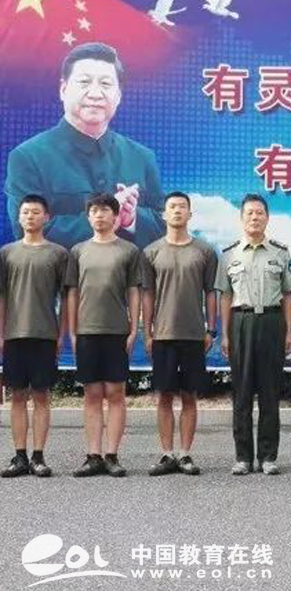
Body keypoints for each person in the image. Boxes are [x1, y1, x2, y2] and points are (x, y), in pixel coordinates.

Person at [5, 42, 164, 250]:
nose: (95, 93)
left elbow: (165, 227)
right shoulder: (28, 157)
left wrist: (131, 219)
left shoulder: (142, 157)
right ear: (63, 89)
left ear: (118, 95)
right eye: (84, 82)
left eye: (105, 84)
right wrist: (106, 217)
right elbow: (28, 232)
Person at [215, 193, 291, 476]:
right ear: (241, 218)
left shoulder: (280, 252)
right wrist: (225, 335)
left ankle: (268, 457)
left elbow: (288, 293)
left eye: (260, 212)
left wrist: (289, 330)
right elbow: (225, 296)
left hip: (272, 322)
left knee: (270, 393)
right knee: (242, 393)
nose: (254, 217)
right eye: (249, 213)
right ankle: (243, 457)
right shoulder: (229, 254)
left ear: (267, 218)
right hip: (241, 322)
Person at [142, 191, 218, 476]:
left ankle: (185, 454)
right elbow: (147, 294)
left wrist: (211, 329)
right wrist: (147, 331)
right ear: (164, 214)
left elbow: (211, 292)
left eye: (182, 207)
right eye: (172, 207)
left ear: (190, 214)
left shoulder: (204, 252)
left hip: (193, 335)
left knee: (189, 396)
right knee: (164, 396)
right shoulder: (151, 252)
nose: (177, 211)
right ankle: (167, 454)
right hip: (162, 334)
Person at [65, 193, 141, 477]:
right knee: (92, 393)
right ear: (88, 217)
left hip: (116, 331)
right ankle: (93, 455)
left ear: (116, 216)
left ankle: (112, 456)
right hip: (87, 331)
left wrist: (134, 328)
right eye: (94, 211)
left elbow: (134, 291)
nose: (99, 215)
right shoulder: (78, 251)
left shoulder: (128, 251)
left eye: (105, 210)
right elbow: (72, 293)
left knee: (116, 392)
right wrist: (73, 331)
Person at [0, 195, 68, 478]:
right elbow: (2, 297)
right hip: (14, 334)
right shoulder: (6, 253)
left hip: (44, 335)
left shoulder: (58, 254)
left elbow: (66, 298)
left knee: (41, 395)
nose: (30, 216)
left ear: (46, 217)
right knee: (17, 396)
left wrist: (61, 334)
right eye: (26, 212)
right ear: (19, 217)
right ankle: (19, 456)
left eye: (36, 212)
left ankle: (38, 456)